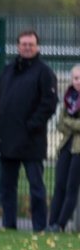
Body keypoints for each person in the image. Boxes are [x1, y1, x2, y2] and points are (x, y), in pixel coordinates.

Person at [0, 29, 58, 232]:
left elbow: (49, 103)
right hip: (8, 138)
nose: (27, 48)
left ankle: (39, 226)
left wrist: (32, 125)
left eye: (31, 44)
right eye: (24, 44)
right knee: (7, 187)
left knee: (36, 186)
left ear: (37, 47)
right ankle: (8, 224)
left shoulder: (44, 72)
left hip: (31, 140)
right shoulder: (8, 70)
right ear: (18, 46)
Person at [47, 65, 80, 232]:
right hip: (66, 145)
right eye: (75, 78)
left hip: (78, 150)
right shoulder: (69, 98)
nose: (78, 81)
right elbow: (61, 123)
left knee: (71, 187)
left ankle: (60, 224)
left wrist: (70, 123)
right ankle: (51, 222)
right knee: (59, 185)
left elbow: (68, 122)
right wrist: (72, 125)